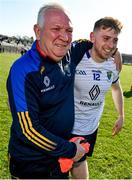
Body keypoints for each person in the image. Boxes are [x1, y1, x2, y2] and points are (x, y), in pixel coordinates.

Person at [6, 3, 93, 179]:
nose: (64, 37)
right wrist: (70, 150)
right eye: (56, 29)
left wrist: (112, 51)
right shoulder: (24, 70)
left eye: (69, 30)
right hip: (32, 165)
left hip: (59, 161)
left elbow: (86, 43)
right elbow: (28, 130)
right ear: (38, 31)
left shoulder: (69, 53)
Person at [70, 17, 124, 179]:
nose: (111, 45)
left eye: (115, 40)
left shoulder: (113, 65)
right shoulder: (75, 57)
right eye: (106, 38)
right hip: (65, 126)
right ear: (92, 37)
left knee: (80, 161)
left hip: (90, 128)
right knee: (58, 167)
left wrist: (121, 115)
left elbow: (116, 88)